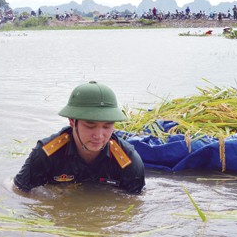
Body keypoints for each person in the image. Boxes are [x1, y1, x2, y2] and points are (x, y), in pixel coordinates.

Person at [14, 81, 145, 194]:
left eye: (106, 126)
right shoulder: (45, 154)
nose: (99, 136)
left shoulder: (128, 161)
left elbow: (134, 202)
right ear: (72, 122)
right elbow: (19, 191)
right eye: (90, 125)